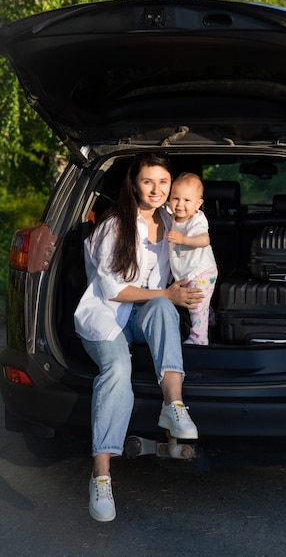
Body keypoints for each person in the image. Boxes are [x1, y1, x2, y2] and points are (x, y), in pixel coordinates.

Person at [74, 152, 203, 523]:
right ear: (134, 185)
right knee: (117, 367)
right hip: (106, 317)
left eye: (164, 182)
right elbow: (113, 291)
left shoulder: (172, 220)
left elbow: (201, 245)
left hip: (143, 314)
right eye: (148, 181)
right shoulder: (115, 226)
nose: (157, 190)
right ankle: (101, 476)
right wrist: (167, 294)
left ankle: (173, 407)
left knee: (164, 309)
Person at [166, 172, 218, 345]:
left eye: (187, 200)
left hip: (201, 271)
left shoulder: (197, 219)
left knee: (195, 305)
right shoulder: (169, 215)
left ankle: (199, 339)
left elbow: (205, 240)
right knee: (201, 303)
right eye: (175, 198)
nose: (180, 204)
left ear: (198, 203)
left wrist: (183, 240)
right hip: (186, 271)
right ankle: (211, 320)